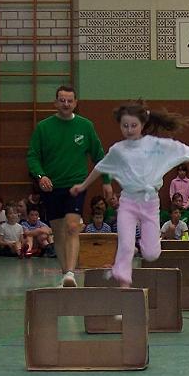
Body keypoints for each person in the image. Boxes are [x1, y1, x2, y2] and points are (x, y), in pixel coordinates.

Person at [70, 101, 189, 285]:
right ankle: (124, 283)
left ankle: (138, 248)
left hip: (150, 202)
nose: (129, 130)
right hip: (128, 202)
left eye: (133, 125)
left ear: (143, 124)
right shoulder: (118, 149)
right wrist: (83, 185)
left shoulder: (156, 145)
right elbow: (101, 167)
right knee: (125, 245)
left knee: (151, 254)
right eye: (125, 126)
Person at [27, 85, 112, 287]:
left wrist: (106, 181)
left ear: (75, 103)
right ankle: (66, 274)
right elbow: (32, 156)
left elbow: (100, 156)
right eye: (62, 100)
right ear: (55, 103)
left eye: (69, 100)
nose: (66, 104)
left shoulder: (85, 126)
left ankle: (71, 273)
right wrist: (40, 176)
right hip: (51, 188)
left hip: (76, 186)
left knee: (73, 227)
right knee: (58, 232)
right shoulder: (43, 128)